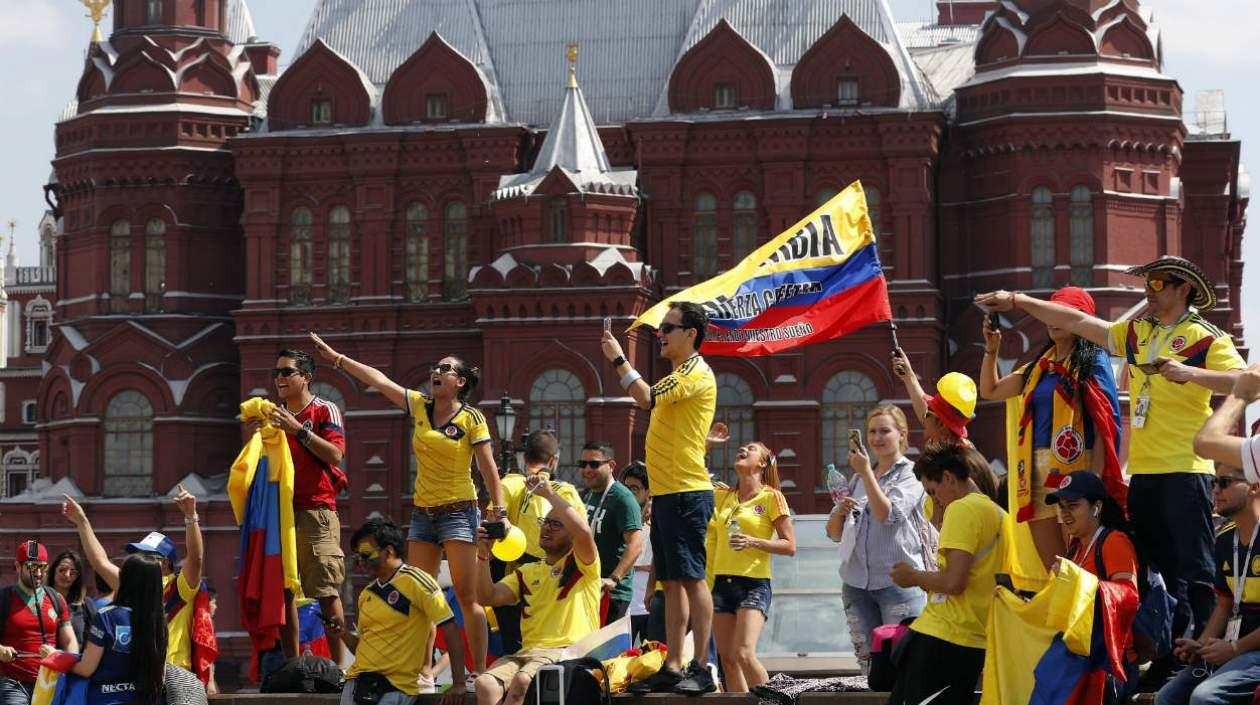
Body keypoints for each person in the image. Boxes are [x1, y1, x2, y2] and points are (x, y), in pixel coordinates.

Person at [978, 257, 1244, 660]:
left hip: (1187, 470)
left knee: (1196, 572)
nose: (1147, 292)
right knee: (1154, 572)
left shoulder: (1206, 337)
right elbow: (1083, 324)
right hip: (1144, 473)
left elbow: (1245, 381)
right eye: (1146, 284)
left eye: (1156, 284)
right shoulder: (1137, 332)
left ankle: (1201, 656)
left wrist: (1192, 374)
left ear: (1183, 288)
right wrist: (1016, 300)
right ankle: (1168, 652)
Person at [309, 332, 510, 677]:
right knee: (422, 596)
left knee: (467, 597)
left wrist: (499, 510)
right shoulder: (419, 405)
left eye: (445, 369)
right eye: (436, 367)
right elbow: (379, 379)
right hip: (423, 515)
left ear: (460, 382)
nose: (437, 371)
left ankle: (478, 673)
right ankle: (424, 672)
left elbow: (488, 467)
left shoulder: (471, 418)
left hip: (460, 513)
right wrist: (337, 358)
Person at [602, 301, 718, 695]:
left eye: (668, 328)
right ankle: (673, 663)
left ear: (691, 334)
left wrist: (618, 357)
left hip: (687, 491)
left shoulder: (693, 371)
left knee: (692, 578)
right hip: (669, 492)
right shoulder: (680, 373)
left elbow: (645, 397)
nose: (661, 334)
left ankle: (702, 665)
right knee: (671, 582)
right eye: (661, 328)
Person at [979, 287, 1123, 570]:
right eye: (1051, 312)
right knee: (1055, 569)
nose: (1053, 320)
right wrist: (991, 349)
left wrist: (1093, 483)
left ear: (1081, 319)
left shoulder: (1093, 361)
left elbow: (1103, 424)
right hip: (1033, 475)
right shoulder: (1039, 367)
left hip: (1075, 470)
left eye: (1064, 313)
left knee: (1081, 567)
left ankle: (1089, 615)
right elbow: (991, 389)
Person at [241, 347, 348, 662]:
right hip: (278, 514)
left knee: (326, 591)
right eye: (276, 373)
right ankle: (293, 667)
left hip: (316, 511)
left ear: (307, 377)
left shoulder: (324, 410)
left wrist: (297, 430)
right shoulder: (271, 414)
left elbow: (335, 455)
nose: (279, 378)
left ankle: (340, 668)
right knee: (283, 591)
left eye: (287, 372)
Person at [888, 446, 1004, 705]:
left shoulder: (961, 509)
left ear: (949, 478)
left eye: (932, 491)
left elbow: (954, 581)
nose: (934, 499)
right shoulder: (999, 514)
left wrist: (913, 576)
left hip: (942, 638)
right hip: (975, 640)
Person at [473, 477, 600, 705]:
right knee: (485, 684)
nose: (546, 528)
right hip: (526, 653)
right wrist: (482, 556)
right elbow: (486, 596)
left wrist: (549, 495)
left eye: (556, 524)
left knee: (522, 681)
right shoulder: (528, 571)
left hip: (568, 651)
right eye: (545, 521)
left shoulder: (582, 563)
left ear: (571, 534)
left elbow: (583, 533)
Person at [828, 405, 932, 674]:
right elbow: (833, 533)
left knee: (904, 663)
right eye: (872, 432)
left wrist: (865, 474)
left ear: (902, 434)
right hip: (856, 585)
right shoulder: (858, 477)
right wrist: (840, 512)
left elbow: (889, 515)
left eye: (885, 431)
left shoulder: (912, 473)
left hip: (898, 584)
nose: (876, 437)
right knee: (870, 668)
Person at [62, 486, 204, 674]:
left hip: (174, 674)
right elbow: (100, 562)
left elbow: (195, 558)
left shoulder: (180, 587)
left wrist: (190, 517)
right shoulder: (133, 583)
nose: (137, 557)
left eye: (144, 554)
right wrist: (81, 522)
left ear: (163, 562)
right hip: (138, 675)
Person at [327, 517, 467, 705]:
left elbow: (450, 628)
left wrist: (458, 683)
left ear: (388, 551)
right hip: (356, 686)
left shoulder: (418, 582)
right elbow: (362, 649)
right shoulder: (366, 594)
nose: (362, 562)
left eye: (366, 554)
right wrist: (342, 633)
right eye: (358, 557)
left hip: (395, 689)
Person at [1154, 463, 1260, 705]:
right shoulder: (1224, 539)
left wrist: (1234, 649)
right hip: (1237, 647)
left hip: (1248, 649)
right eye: (1214, 483)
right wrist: (1201, 644)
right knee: (1166, 698)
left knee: (1205, 697)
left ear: (1254, 486)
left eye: (1224, 483)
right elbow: (1224, 605)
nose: (1215, 490)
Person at [707, 442, 795, 692]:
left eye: (752, 448)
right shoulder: (722, 495)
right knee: (728, 660)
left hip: (753, 584)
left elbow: (790, 546)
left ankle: (774, 701)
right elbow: (693, 479)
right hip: (722, 583)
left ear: (763, 463)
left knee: (744, 653)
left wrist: (753, 541)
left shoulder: (772, 496)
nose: (743, 449)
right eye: (742, 447)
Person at [1046, 470, 1141, 700]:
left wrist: (1077, 581)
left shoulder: (1114, 541)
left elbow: (1128, 595)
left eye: (1073, 505)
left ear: (1096, 507)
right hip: (1080, 659)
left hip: (1109, 662)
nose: (1065, 513)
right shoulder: (1075, 547)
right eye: (1061, 507)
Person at [495, 430, 584, 653]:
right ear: (554, 460)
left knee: (515, 647)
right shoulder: (565, 491)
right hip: (557, 581)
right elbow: (582, 533)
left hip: (514, 581)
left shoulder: (510, 484)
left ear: (524, 458)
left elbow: (494, 526)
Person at [61, 553, 167, 705]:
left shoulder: (106, 616)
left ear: (126, 579)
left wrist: (58, 658)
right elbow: (161, 678)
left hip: (106, 698)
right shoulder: (158, 621)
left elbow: (86, 668)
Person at [0, 541, 79, 705]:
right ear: (17, 566)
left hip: (50, 681)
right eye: (32, 566)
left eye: (42, 567)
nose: (38, 573)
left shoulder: (56, 599)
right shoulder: (3, 599)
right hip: (13, 683)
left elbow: (70, 641)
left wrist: (62, 658)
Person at [578, 440, 644, 625]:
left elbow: (635, 545)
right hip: (588, 588)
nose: (587, 469)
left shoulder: (623, 499)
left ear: (611, 466)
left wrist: (614, 579)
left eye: (594, 464)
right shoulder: (589, 494)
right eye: (583, 464)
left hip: (612, 594)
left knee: (605, 653)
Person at [892, 347, 978, 453]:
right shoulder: (959, 450)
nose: (923, 415)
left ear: (941, 424)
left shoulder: (951, 461)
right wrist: (908, 376)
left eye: (928, 412)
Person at [623, 462, 657, 645]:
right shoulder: (618, 516)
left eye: (634, 489)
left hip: (649, 605)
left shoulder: (658, 517)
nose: (628, 494)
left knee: (651, 661)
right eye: (625, 488)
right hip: (623, 606)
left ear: (648, 491)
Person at [46, 549, 94, 647]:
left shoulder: (86, 606)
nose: (67, 575)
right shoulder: (41, 601)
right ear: (53, 570)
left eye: (73, 572)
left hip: (76, 661)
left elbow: (92, 644)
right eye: (62, 570)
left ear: (77, 577)